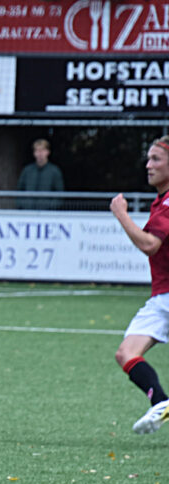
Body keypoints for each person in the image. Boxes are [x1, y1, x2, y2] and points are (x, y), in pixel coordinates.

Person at [111, 135, 169, 434]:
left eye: (156, 159)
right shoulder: (161, 201)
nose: (148, 165)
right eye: (148, 158)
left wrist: (121, 215)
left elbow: (150, 245)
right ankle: (160, 401)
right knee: (126, 352)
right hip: (162, 298)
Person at [16, 138, 64, 210]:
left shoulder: (55, 171)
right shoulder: (27, 170)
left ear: (48, 152)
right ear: (34, 153)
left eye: (42, 150)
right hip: (28, 213)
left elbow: (59, 194)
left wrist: (51, 207)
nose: (40, 154)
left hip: (47, 215)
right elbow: (19, 191)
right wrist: (23, 205)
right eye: (37, 151)